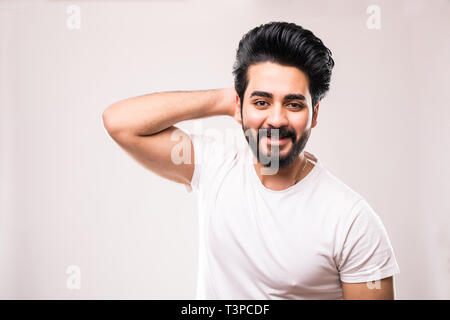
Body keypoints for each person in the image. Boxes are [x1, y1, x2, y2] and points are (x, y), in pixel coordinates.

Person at [102, 21, 400, 300]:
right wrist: (224, 101)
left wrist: (250, 101)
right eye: (261, 102)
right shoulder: (216, 164)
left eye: (294, 104)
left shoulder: (352, 221)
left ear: (315, 114)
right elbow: (121, 123)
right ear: (239, 105)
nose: (276, 119)